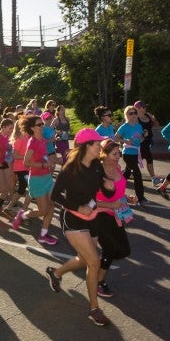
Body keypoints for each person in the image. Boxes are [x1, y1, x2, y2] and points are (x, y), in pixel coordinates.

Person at [45, 128, 118, 327]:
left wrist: (108, 189)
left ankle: (56, 272)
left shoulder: (96, 165)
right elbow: (55, 196)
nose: (100, 146)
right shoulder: (70, 169)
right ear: (87, 146)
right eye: (97, 143)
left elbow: (103, 190)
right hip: (73, 219)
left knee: (85, 260)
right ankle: (94, 309)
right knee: (94, 262)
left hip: (92, 217)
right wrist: (77, 207)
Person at [96, 140, 135, 297]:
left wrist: (127, 198)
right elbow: (89, 200)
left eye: (119, 153)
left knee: (123, 250)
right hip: (100, 214)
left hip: (117, 213)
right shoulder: (98, 173)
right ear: (104, 154)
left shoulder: (118, 167)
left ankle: (94, 263)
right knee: (110, 249)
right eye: (115, 154)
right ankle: (99, 283)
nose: (119, 156)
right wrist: (111, 205)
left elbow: (118, 193)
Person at [12, 115, 58, 246]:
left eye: (42, 124)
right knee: (43, 210)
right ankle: (22, 216)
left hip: (47, 177)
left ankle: (43, 234)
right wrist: (44, 165)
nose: (42, 126)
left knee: (51, 206)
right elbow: (26, 162)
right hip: (37, 179)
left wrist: (53, 161)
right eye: (39, 125)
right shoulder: (32, 142)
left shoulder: (42, 140)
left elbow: (43, 156)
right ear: (32, 128)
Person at [115, 105, 146, 205]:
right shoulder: (124, 126)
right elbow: (115, 138)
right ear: (126, 115)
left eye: (135, 113)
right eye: (130, 113)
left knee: (126, 174)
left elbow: (141, 139)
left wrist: (143, 136)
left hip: (136, 153)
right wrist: (125, 141)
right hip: (127, 153)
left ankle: (115, 189)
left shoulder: (139, 126)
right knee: (137, 174)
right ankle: (141, 198)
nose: (133, 115)